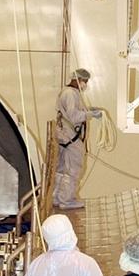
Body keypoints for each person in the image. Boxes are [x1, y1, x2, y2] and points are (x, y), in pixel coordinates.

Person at [53, 68, 101, 210]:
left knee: (61, 168)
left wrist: (89, 110)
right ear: (77, 80)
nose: (85, 84)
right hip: (71, 138)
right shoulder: (71, 94)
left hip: (64, 137)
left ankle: (57, 197)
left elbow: (71, 112)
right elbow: (74, 116)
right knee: (73, 169)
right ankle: (67, 200)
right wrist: (90, 115)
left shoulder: (67, 92)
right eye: (84, 81)